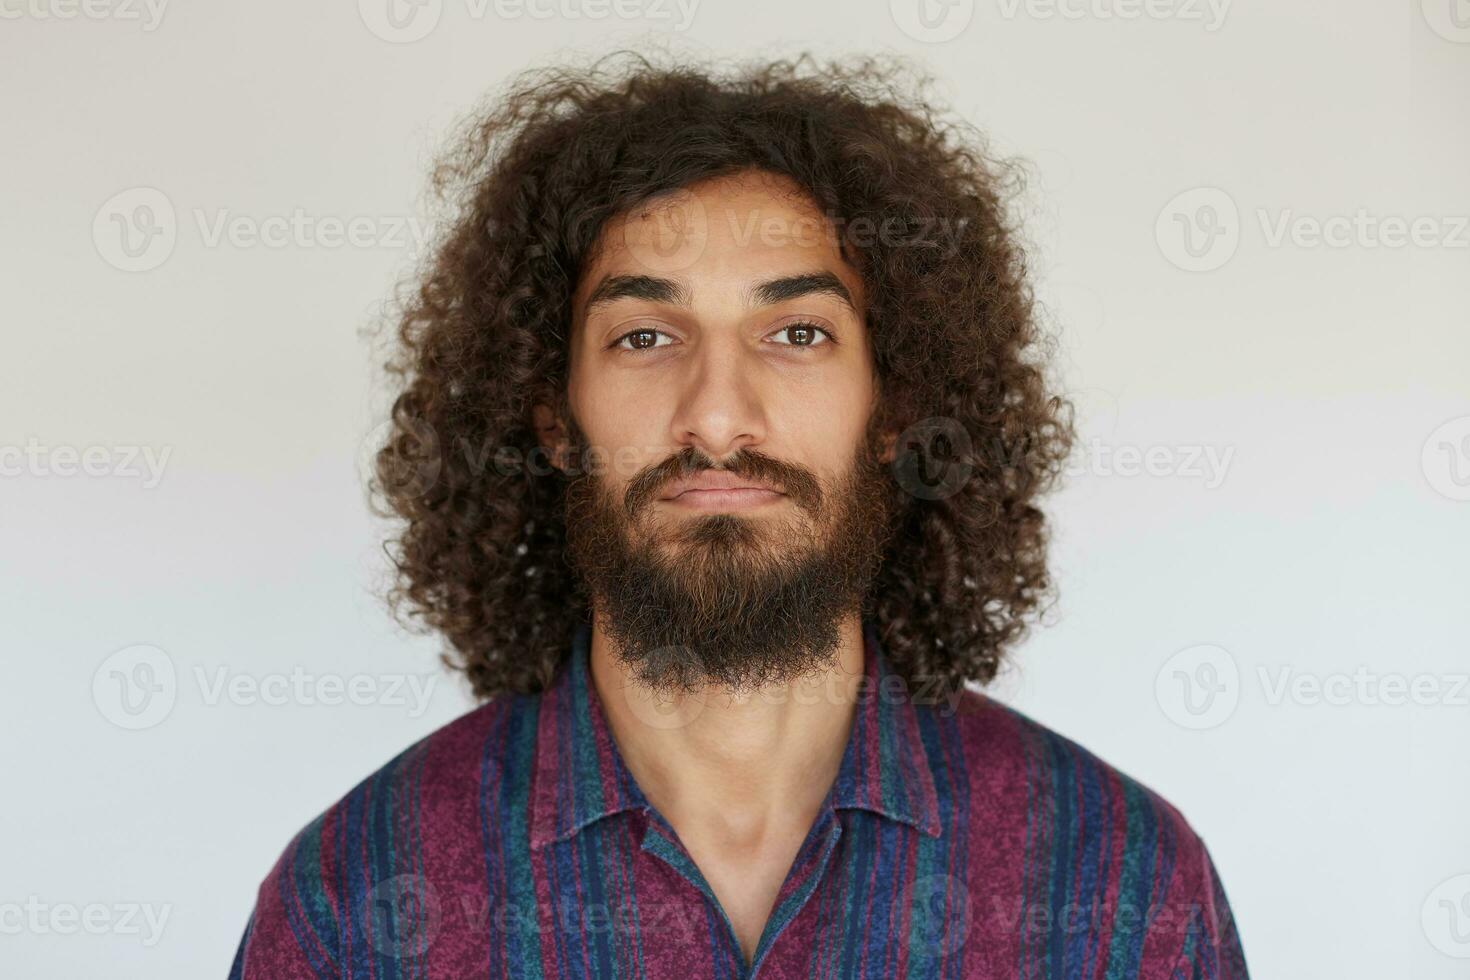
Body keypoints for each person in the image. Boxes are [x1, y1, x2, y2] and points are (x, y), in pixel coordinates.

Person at [229, 52, 1247, 978]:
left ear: (893, 404)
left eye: (797, 331)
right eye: (642, 336)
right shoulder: (356, 905)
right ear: (551, 412)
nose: (717, 413)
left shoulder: (1120, 887)